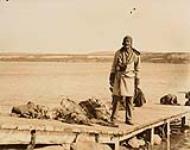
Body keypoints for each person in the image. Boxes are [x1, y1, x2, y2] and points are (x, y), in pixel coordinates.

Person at [109, 35, 141, 125]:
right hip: (119, 78)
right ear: (123, 43)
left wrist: (137, 80)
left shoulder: (136, 55)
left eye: (128, 43)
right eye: (125, 43)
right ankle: (113, 119)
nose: (126, 45)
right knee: (116, 99)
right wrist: (111, 76)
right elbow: (114, 66)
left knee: (130, 100)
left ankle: (129, 119)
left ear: (131, 44)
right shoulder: (118, 53)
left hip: (130, 78)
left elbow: (138, 69)